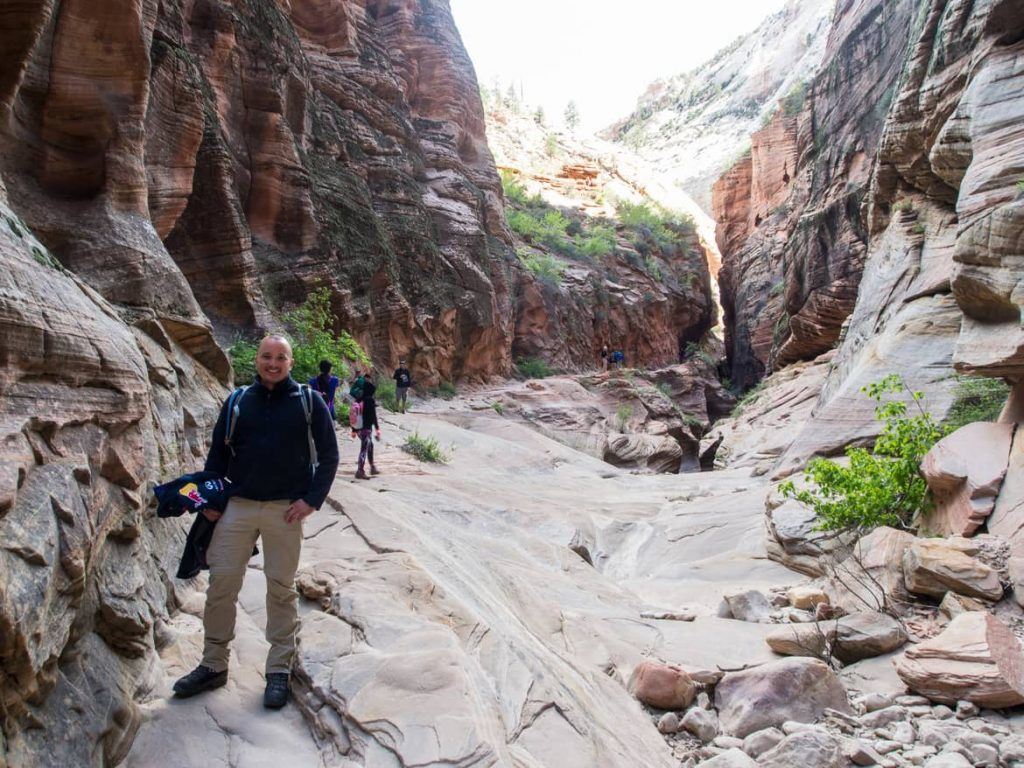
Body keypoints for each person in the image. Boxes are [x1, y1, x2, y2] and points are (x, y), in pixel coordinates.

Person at [172, 335, 339, 710]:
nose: (273, 363)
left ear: (291, 362)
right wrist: (210, 501)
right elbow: (216, 456)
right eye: (267, 356)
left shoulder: (309, 402)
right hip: (238, 506)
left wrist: (311, 501)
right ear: (258, 360)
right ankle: (214, 664)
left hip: (285, 510)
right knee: (221, 586)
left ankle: (278, 669)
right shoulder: (237, 401)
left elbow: (329, 455)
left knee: (280, 589)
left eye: (281, 357)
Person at [353, 372, 381, 479]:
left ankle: (372, 467)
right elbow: (373, 416)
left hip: (359, 428)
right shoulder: (370, 400)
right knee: (364, 448)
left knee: (370, 445)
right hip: (366, 429)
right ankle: (360, 471)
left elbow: (354, 413)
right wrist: (377, 429)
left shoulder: (359, 399)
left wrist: (354, 430)